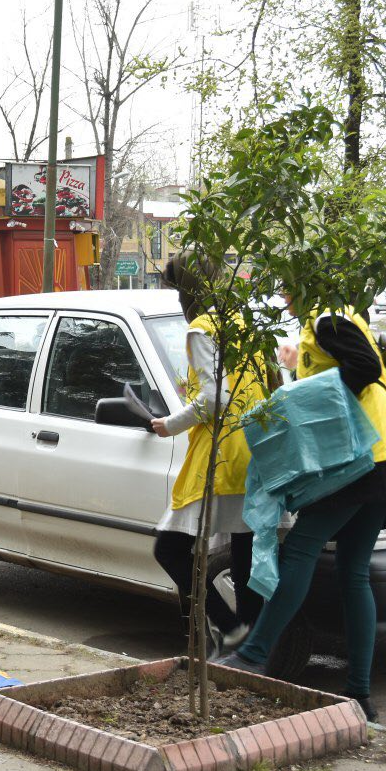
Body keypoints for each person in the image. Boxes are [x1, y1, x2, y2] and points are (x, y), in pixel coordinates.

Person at [215, 298, 386, 723]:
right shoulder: (337, 317)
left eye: (288, 286)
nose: (284, 295)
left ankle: (255, 653)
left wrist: (303, 395)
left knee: (300, 550)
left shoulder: (329, 315)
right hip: (385, 455)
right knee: (354, 571)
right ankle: (360, 697)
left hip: (362, 456)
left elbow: (363, 368)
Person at [150, 253, 267, 654]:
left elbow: (215, 397)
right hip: (256, 445)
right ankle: (249, 646)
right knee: (245, 546)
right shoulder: (242, 323)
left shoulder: (202, 329)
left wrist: (171, 424)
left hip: (223, 450)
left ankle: (231, 628)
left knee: (169, 548)